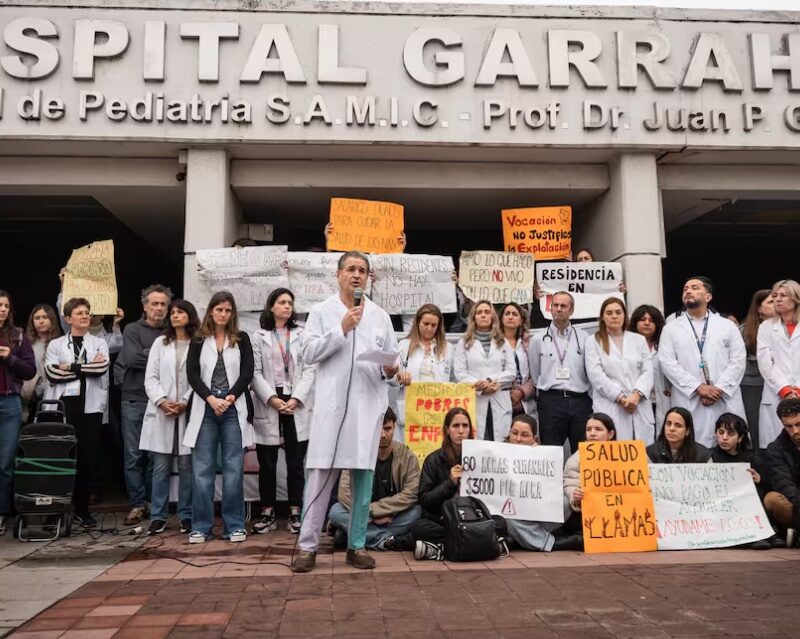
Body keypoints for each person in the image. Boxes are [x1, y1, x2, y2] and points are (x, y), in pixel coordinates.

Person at [292, 251, 400, 573]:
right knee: (320, 479)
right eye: (351, 269)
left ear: (368, 277)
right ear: (338, 274)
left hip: (366, 410)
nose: (357, 275)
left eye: (362, 270)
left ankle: (357, 546)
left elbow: (392, 359)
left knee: (363, 483)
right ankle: (307, 547)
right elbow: (308, 353)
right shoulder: (322, 312)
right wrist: (340, 329)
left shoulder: (380, 315)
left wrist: (391, 369)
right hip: (332, 409)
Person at [184, 291, 254, 543]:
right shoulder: (198, 340)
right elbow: (192, 375)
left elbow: (247, 373)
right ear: (211, 311)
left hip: (233, 408)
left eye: (228, 310)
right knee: (202, 470)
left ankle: (234, 525)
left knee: (233, 469)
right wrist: (211, 399)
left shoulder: (242, 339)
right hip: (206, 407)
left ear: (232, 313)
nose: (223, 314)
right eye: (219, 309)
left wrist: (230, 398)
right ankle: (201, 526)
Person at [251, 288, 315, 535]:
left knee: (296, 463)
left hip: (295, 400)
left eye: (290, 302)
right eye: (282, 302)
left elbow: (311, 369)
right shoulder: (259, 336)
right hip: (271, 400)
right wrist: (272, 399)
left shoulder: (302, 334)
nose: (287, 306)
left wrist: (297, 398)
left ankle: (295, 512)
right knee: (267, 463)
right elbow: (254, 372)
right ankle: (266, 513)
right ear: (271, 307)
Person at [658, 276, 746, 448]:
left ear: (708, 296)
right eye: (685, 289)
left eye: (695, 287)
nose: (688, 291)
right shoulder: (671, 328)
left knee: (728, 446)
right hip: (690, 397)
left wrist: (718, 389)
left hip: (723, 397)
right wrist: (698, 387)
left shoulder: (726, 326)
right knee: (692, 448)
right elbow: (667, 362)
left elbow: (738, 360)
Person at [44, 297, 109, 528]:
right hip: (64, 406)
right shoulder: (56, 344)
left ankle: (82, 510)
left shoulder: (99, 342)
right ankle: (56, 510)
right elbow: (52, 374)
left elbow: (101, 368)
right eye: (80, 313)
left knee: (87, 459)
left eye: (87, 313)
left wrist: (70, 367)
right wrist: (85, 369)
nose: (85, 316)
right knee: (61, 458)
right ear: (68, 318)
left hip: (90, 408)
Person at [140, 300, 199, 536]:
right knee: (160, 467)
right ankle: (158, 516)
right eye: (172, 313)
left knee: (186, 466)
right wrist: (162, 401)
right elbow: (150, 378)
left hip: (187, 409)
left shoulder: (197, 343)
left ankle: (186, 515)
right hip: (162, 411)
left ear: (190, 316)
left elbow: (199, 377)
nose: (175, 316)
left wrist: (185, 400)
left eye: (180, 312)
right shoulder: (160, 343)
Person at [117, 284, 172, 526]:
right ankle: (137, 504)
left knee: (156, 456)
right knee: (133, 456)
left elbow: (172, 361)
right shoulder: (131, 329)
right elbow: (131, 358)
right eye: (154, 303)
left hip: (162, 402)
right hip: (134, 399)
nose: (159, 308)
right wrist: (159, 356)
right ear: (145, 306)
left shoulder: (173, 330)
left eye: (163, 304)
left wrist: (149, 354)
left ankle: (153, 503)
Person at [328, 408, 421, 551]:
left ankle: (353, 534)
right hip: (368, 516)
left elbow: (411, 493)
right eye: (378, 429)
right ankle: (385, 540)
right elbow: (344, 493)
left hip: (392, 516)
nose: (383, 435)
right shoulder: (358, 455)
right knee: (336, 511)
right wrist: (372, 516)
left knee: (417, 511)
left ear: (394, 426)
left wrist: (374, 511)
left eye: (387, 428)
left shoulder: (407, 456)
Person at [528, 291, 592, 452]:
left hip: (580, 401)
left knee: (583, 452)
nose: (558, 309)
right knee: (550, 452)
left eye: (563, 306)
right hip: (551, 401)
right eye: (555, 305)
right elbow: (535, 373)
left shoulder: (584, 338)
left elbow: (590, 370)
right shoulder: (538, 338)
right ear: (550, 309)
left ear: (571, 310)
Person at [503, 415, 578, 551]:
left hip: (536, 511)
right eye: (514, 433)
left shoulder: (546, 456)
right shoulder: (496, 453)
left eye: (524, 435)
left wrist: (538, 457)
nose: (518, 439)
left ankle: (522, 538)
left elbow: (554, 490)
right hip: (512, 512)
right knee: (507, 518)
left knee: (566, 503)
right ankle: (549, 543)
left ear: (534, 438)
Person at [585, 298, 654, 444]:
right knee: (613, 452)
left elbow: (647, 371)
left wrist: (635, 396)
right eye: (609, 313)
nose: (614, 316)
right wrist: (622, 399)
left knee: (643, 453)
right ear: (603, 317)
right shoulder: (593, 341)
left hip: (638, 405)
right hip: (611, 405)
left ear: (625, 315)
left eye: (618, 312)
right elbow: (596, 375)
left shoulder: (639, 340)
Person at [412, 407, 473, 561]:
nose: (461, 431)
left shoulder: (481, 456)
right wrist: (450, 483)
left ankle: (439, 549)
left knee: (500, 524)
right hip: (442, 519)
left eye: (465, 426)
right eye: (455, 426)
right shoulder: (434, 459)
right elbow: (425, 501)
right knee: (420, 528)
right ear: (447, 430)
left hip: (472, 519)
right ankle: (479, 543)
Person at [0, 291, 35, 535]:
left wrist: (10, 358)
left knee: (5, 463)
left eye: (5, 306)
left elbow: (30, 371)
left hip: (9, 403)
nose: (2, 309)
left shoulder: (18, 336)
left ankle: (1, 514)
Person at [453, 301, 514, 441]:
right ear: (473, 317)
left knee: (500, 443)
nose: (483, 315)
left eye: (487, 312)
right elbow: (459, 373)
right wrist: (480, 386)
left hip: (499, 398)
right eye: (479, 312)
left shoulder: (503, 342)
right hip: (475, 398)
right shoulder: (464, 343)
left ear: (493, 316)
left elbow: (511, 371)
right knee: (477, 441)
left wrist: (491, 381)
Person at [393, 304, 453, 441]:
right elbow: (391, 378)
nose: (429, 328)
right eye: (426, 323)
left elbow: (455, 380)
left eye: (434, 325)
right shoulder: (404, 345)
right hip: (411, 410)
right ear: (417, 322)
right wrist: (400, 376)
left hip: (436, 411)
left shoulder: (448, 348)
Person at [757, 280, 800, 450]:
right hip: (776, 393)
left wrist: (797, 389)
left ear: (796, 298)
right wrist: (784, 389)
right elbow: (765, 361)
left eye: (783, 295)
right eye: (775, 296)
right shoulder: (766, 327)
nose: (778, 299)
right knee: (775, 449)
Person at [740, 289, 775, 448]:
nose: (776, 304)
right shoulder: (744, 330)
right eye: (770, 301)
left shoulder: (785, 327)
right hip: (752, 385)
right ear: (759, 308)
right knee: (755, 427)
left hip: (777, 384)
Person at [563, 413, 617, 515]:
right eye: (588, 429)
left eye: (598, 429)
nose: (592, 433)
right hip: (590, 513)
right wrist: (574, 494)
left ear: (610, 434)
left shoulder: (625, 455)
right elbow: (569, 482)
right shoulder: (576, 458)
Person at [764, 398, 800, 547]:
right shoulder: (775, 448)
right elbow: (783, 484)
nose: (795, 431)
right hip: (796, 504)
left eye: (798, 424)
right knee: (772, 499)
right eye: (789, 426)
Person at [629, 304, 670, 429]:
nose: (647, 323)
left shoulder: (665, 345)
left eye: (651, 321)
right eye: (642, 319)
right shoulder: (627, 346)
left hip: (661, 400)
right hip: (636, 400)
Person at [21, 304, 61, 422]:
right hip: (30, 397)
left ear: (52, 320)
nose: (41, 321)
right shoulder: (25, 344)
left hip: (54, 394)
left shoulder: (60, 343)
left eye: (45, 317)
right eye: (37, 318)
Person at [500, 303, 535, 416]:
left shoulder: (529, 344)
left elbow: (536, 375)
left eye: (515, 314)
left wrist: (521, 392)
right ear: (501, 319)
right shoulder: (493, 343)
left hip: (524, 402)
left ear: (521, 320)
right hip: (499, 400)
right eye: (507, 314)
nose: (510, 317)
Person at [646, 407, 711, 463]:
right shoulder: (651, 453)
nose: (671, 429)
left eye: (678, 425)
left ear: (687, 431)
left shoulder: (702, 455)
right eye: (668, 424)